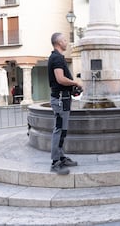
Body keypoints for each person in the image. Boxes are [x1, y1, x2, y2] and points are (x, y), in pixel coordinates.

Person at [48, 32, 83, 175]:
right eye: (64, 40)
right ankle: (55, 162)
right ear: (58, 43)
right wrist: (75, 82)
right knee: (59, 130)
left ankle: (61, 157)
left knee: (63, 130)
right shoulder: (56, 58)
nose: (66, 42)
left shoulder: (59, 57)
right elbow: (60, 79)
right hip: (61, 100)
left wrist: (73, 89)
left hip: (64, 98)